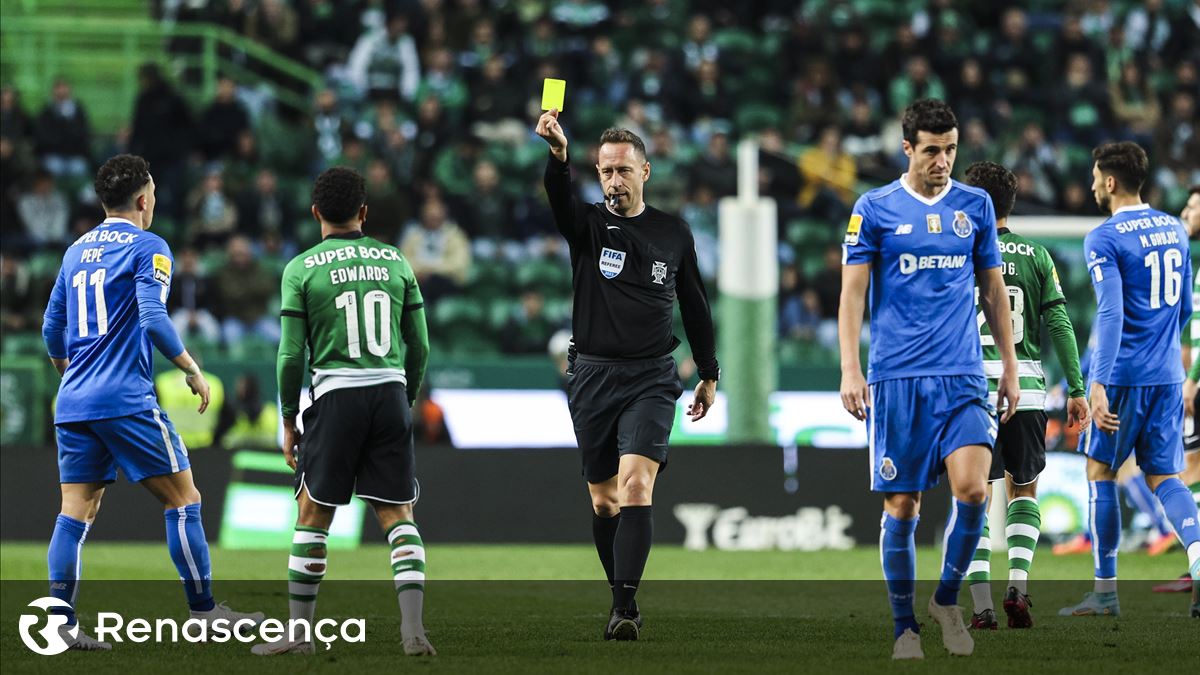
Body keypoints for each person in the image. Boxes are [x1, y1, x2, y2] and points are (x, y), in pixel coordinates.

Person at [41, 154, 262, 651]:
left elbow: (51, 329)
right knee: (184, 500)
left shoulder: (74, 252)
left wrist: (74, 376)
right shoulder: (149, 246)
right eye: (155, 193)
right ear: (144, 199)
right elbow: (152, 316)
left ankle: (59, 622)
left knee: (75, 509)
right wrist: (191, 367)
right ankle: (205, 613)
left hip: (73, 400)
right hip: (124, 398)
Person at [838, 99, 1020, 660]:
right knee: (903, 509)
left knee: (972, 491)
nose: (943, 160)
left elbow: (992, 291)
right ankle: (904, 628)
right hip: (897, 378)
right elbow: (852, 294)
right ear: (908, 148)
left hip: (963, 373)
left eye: (951, 150)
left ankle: (945, 599)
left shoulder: (976, 207)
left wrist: (1009, 365)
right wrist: (850, 367)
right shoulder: (873, 208)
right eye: (933, 150)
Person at [535, 110, 719, 642]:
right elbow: (559, 201)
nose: (613, 180)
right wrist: (557, 157)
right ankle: (621, 599)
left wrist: (708, 373)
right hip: (592, 375)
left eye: (622, 170)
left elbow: (696, 307)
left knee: (637, 484)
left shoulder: (673, 233)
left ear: (645, 172)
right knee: (603, 499)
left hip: (652, 377)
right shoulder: (589, 227)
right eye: (605, 171)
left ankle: (625, 607)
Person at [254, 167, 434, 656]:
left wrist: (289, 418)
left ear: (315, 213)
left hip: (336, 395)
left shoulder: (302, 267)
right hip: (389, 391)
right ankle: (413, 631)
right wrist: (407, 397)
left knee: (312, 515)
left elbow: (291, 354)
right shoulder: (396, 261)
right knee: (399, 517)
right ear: (364, 212)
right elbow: (418, 344)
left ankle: (299, 636)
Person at [1059, 143, 1200, 619]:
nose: (1094, 184)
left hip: (1122, 376)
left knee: (1100, 473)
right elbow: (1182, 309)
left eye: (1097, 177)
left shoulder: (1103, 238)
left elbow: (1111, 312)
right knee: (1166, 477)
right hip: (1166, 375)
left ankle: (1105, 594)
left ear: (1112, 181)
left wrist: (1096, 383)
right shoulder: (1175, 228)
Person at [960, 161, 1090, 630]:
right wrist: (1076, 388)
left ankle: (982, 606)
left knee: (971, 495)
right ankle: (1018, 585)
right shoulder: (1037, 255)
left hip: (971, 391)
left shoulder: (959, 254)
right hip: (1028, 391)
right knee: (1024, 487)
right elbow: (1059, 322)